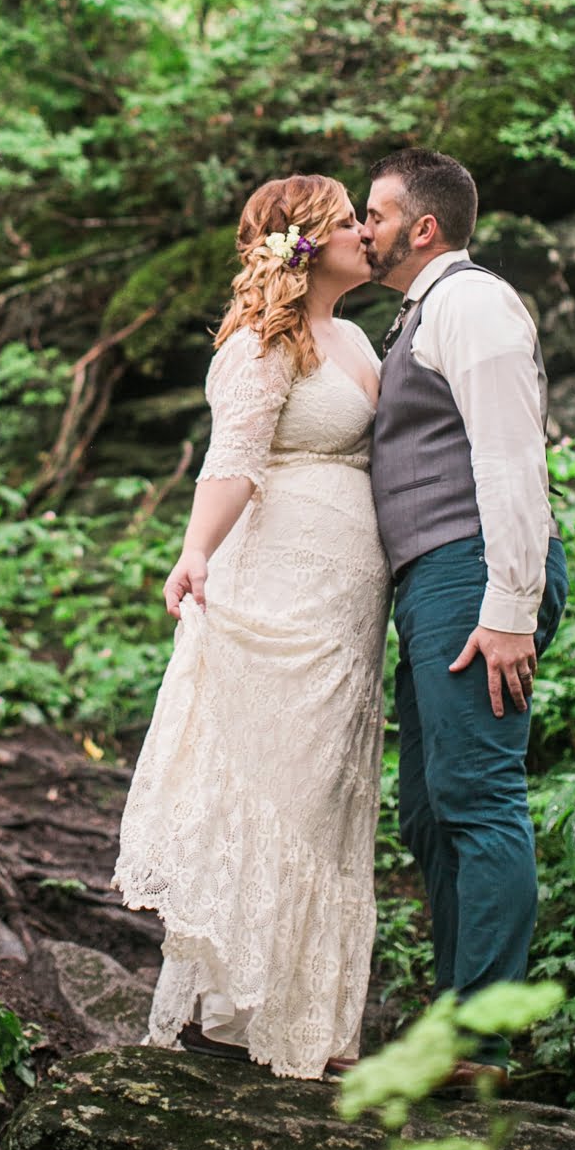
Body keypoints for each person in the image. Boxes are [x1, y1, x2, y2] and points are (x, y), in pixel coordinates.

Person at [113, 173, 389, 1081]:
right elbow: (232, 456)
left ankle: (304, 1017)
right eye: (350, 222)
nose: (365, 234)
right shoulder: (264, 341)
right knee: (277, 775)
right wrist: (194, 553)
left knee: (327, 790)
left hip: (346, 597)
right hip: (276, 582)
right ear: (303, 243)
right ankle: (237, 1002)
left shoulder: (351, 334)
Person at [362, 147, 568, 1094]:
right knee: (432, 811)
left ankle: (481, 1041)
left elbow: (512, 460)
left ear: (425, 227)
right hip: (435, 583)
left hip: (476, 573)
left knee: (479, 800)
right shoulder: (417, 315)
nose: (364, 228)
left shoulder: (471, 303)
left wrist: (511, 609)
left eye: (376, 213)